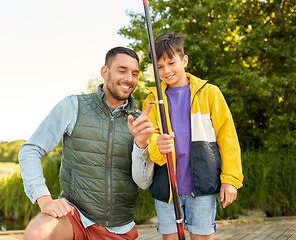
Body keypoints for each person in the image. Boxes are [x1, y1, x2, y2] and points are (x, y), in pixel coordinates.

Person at [18, 46, 154, 240]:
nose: (129, 79)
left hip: (120, 229)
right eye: (122, 71)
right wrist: (44, 199)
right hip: (76, 218)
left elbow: (143, 183)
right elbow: (30, 149)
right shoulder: (74, 106)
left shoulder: (140, 121)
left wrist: (141, 144)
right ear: (104, 72)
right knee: (38, 232)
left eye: (134, 73)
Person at [141, 33, 244, 240]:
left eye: (171, 63)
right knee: (170, 237)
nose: (166, 71)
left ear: (184, 60)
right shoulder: (152, 102)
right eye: (159, 67)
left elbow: (228, 137)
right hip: (167, 187)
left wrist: (230, 179)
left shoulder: (210, 93)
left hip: (202, 186)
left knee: (201, 237)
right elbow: (149, 142)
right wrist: (157, 147)